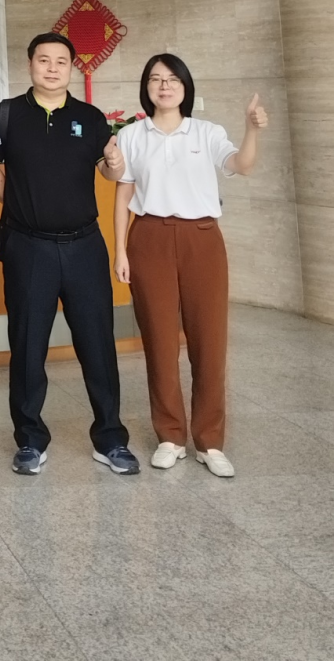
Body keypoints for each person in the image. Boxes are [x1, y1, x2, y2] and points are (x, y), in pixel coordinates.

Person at [0, 32, 140, 477]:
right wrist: (17, 202)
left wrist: (114, 164)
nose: (52, 68)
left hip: (84, 246)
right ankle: (30, 440)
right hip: (28, 247)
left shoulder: (89, 117)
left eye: (61, 61)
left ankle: (110, 438)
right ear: (30, 64)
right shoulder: (7, 114)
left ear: (71, 67)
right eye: (44, 60)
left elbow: (108, 170)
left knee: (97, 343)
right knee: (27, 345)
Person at [114, 55, 267, 478]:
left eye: (172, 79)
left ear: (185, 86)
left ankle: (210, 441)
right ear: (146, 88)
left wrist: (252, 129)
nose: (164, 86)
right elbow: (123, 195)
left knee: (209, 340)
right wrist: (120, 251)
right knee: (159, 340)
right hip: (149, 237)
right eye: (156, 79)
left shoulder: (206, 132)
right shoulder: (131, 135)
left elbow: (242, 165)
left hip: (202, 238)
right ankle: (170, 436)